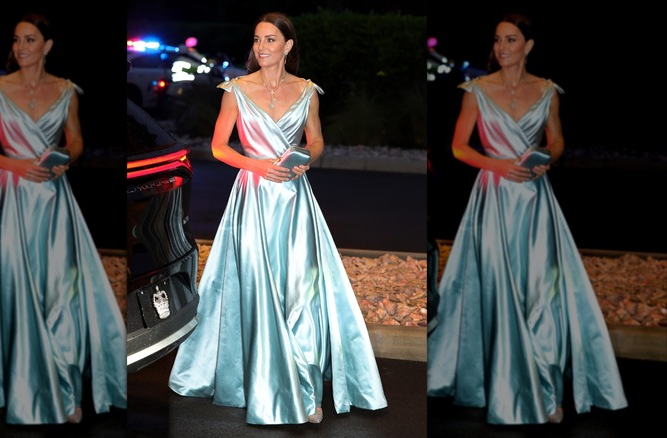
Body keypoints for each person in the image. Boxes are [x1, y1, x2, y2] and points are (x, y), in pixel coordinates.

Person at [167, 11, 388, 425]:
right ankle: (269, 384)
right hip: (253, 200)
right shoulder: (235, 90)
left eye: (270, 40)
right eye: (257, 40)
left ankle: (304, 389)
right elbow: (218, 147)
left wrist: (307, 160)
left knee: (301, 296)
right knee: (258, 293)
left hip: (295, 202)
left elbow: (316, 139)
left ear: (288, 46)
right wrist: (256, 165)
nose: (261, 47)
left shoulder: (307, 91)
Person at [426, 13, 628, 425]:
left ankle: (547, 391)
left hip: (536, 204)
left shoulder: (548, 91)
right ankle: (503, 386)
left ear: (528, 46)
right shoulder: (476, 90)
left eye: (512, 40)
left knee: (543, 296)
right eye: (498, 39)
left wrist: (546, 159)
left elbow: (557, 141)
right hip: (494, 201)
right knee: (499, 293)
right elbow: (459, 147)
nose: (502, 47)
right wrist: (498, 165)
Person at [0, 13, 127, 425]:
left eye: (30, 39)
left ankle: (67, 391)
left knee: (61, 295)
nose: (21, 47)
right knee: (17, 292)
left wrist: (64, 160)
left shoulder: (67, 90)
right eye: (17, 39)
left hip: (55, 203)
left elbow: (76, 141)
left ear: (47, 46)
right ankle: (22, 384)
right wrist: (16, 165)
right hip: (12, 200)